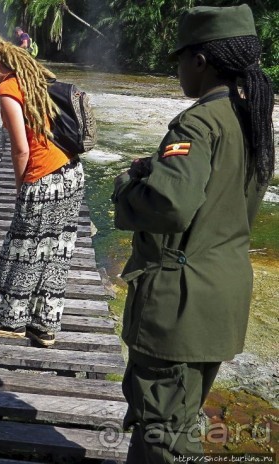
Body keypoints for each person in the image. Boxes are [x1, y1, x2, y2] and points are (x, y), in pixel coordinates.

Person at [111, 5, 274, 462]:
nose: (178, 69)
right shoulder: (251, 118)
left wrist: (128, 186)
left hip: (178, 305)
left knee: (162, 429)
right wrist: (158, 170)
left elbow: (172, 205)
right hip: (221, 295)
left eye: (180, 58)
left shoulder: (197, 122)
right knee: (179, 417)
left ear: (200, 62)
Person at [0, 31, 84, 347]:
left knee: (18, 253)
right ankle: (45, 326)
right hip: (71, 173)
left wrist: (21, 188)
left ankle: (12, 322)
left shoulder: (7, 88)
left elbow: (20, 148)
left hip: (44, 180)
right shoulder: (28, 77)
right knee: (56, 251)